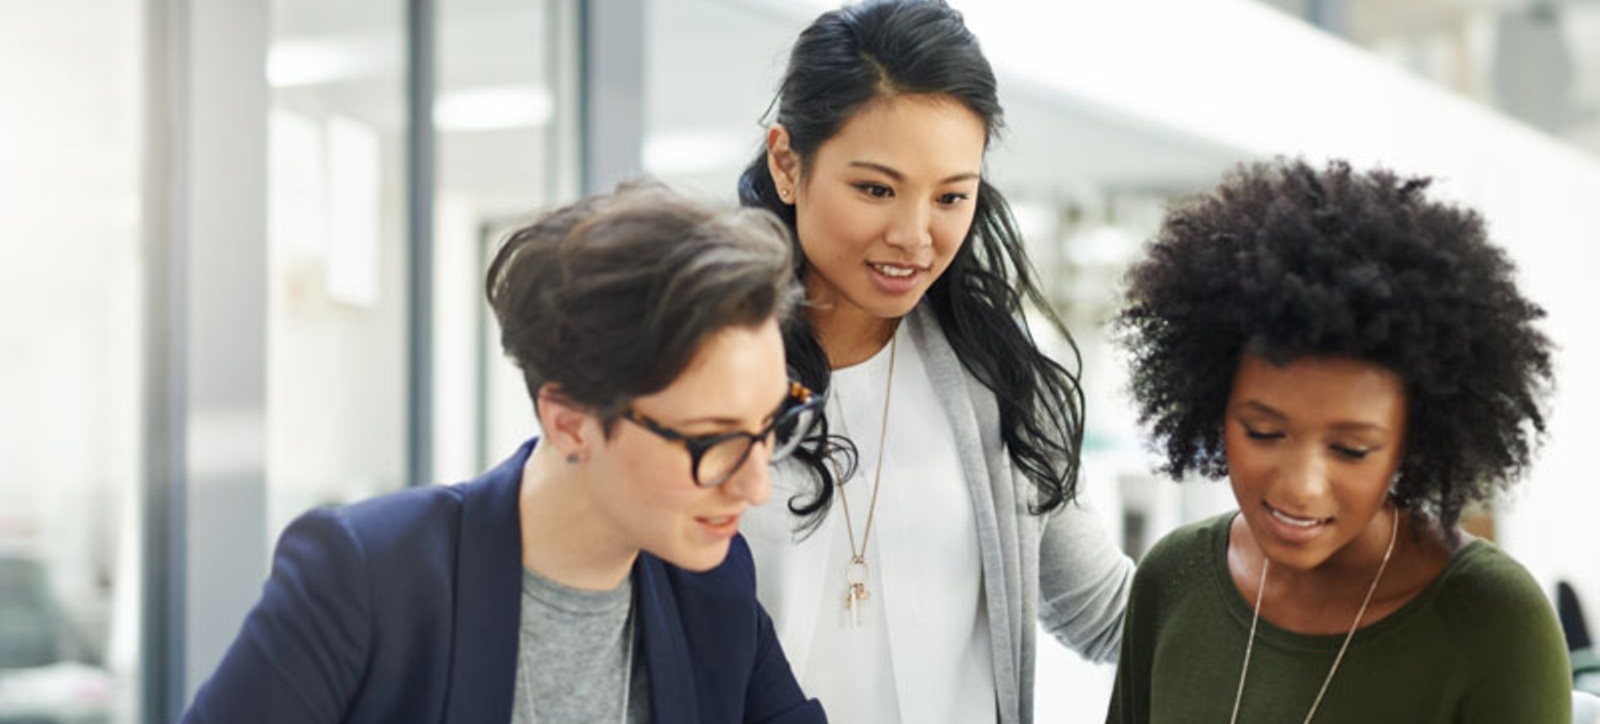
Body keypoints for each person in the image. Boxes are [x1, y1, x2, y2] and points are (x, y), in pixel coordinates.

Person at [183, 183, 829, 723]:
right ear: (569, 420)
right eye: (713, 441)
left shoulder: (711, 586)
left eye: (770, 424)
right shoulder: (367, 579)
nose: (755, 487)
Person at [734, 1, 1134, 722]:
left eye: (952, 196)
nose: (915, 237)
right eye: (877, 189)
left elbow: (1110, 615)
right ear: (787, 163)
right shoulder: (698, 370)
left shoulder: (998, 377)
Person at [1107, 158, 1572, 722]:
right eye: (1264, 432)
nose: (1301, 487)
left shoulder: (1492, 620)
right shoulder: (1173, 580)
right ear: (1214, 404)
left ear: (1413, 440)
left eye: (1351, 449)